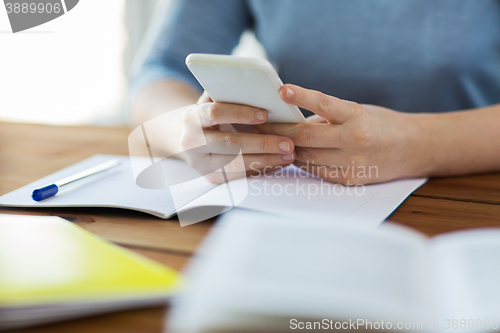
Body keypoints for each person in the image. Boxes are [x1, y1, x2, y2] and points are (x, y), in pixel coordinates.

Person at [128, 0, 500, 185]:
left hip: (471, 194)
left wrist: (416, 144)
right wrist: (187, 129)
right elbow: (161, 72)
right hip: (293, 197)